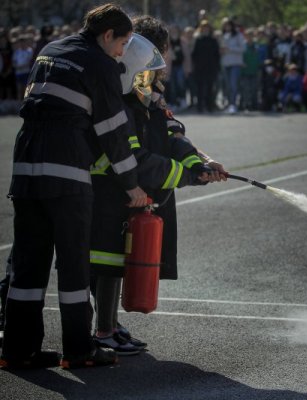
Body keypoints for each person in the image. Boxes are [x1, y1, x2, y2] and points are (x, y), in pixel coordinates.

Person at [1, 3, 147, 370]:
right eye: (123, 42)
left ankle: (18, 350)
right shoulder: (99, 64)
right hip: (66, 172)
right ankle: (79, 351)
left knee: (27, 267)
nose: (122, 52)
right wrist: (131, 186)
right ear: (107, 34)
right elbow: (114, 132)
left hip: (26, 169)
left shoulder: (51, 51)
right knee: (73, 265)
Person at [90, 16, 228, 355]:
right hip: (113, 190)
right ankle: (102, 330)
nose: (163, 67)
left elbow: (171, 133)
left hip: (136, 190)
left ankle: (109, 325)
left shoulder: (146, 91)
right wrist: (187, 175)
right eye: (159, 56)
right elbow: (136, 157)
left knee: (117, 260)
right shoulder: (122, 98)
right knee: (106, 260)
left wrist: (199, 163)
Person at [192, 19, 220, 113]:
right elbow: (194, 54)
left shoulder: (213, 40)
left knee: (210, 88)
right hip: (200, 68)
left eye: (207, 28)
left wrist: (216, 66)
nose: (205, 29)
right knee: (199, 88)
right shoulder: (198, 40)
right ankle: (200, 107)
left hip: (211, 68)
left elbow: (217, 55)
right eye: (203, 28)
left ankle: (210, 107)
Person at [220, 17, 246, 114]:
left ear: (232, 26)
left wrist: (230, 48)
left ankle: (233, 105)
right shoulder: (223, 35)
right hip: (225, 64)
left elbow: (243, 48)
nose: (227, 27)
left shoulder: (238, 35)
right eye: (225, 25)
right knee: (228, 86)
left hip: (235, 64)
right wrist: (221, 51)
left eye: (228, 25)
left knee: (233, 85)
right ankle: (229, 104)